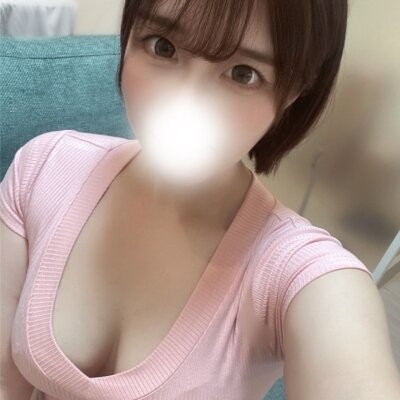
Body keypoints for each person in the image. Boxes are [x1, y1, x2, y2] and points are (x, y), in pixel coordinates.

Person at [1, 0, 400, 399]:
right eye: (162, 46)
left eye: (243, 73)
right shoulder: (44, 167)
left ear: (294, 91)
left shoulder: (302, 272)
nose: (183, 101)